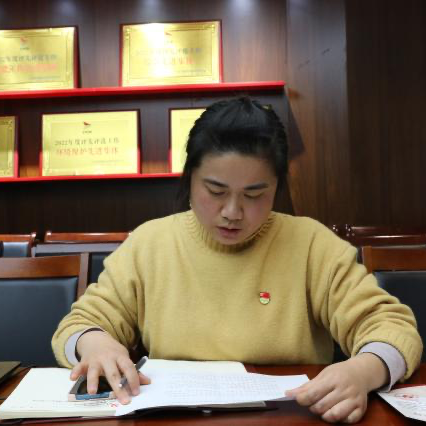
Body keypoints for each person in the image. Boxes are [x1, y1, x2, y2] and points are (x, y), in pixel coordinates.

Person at [52, 97, 422, 424]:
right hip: (174, 418)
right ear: (189, 178)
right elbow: (78, 324)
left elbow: (392, 328)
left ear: (277, 188)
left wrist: (364, 370)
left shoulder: (311, 245)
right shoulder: (150, 243)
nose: (233, 212)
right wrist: (94, 343)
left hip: (290, 417)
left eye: (254, 194)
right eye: (216, 191)